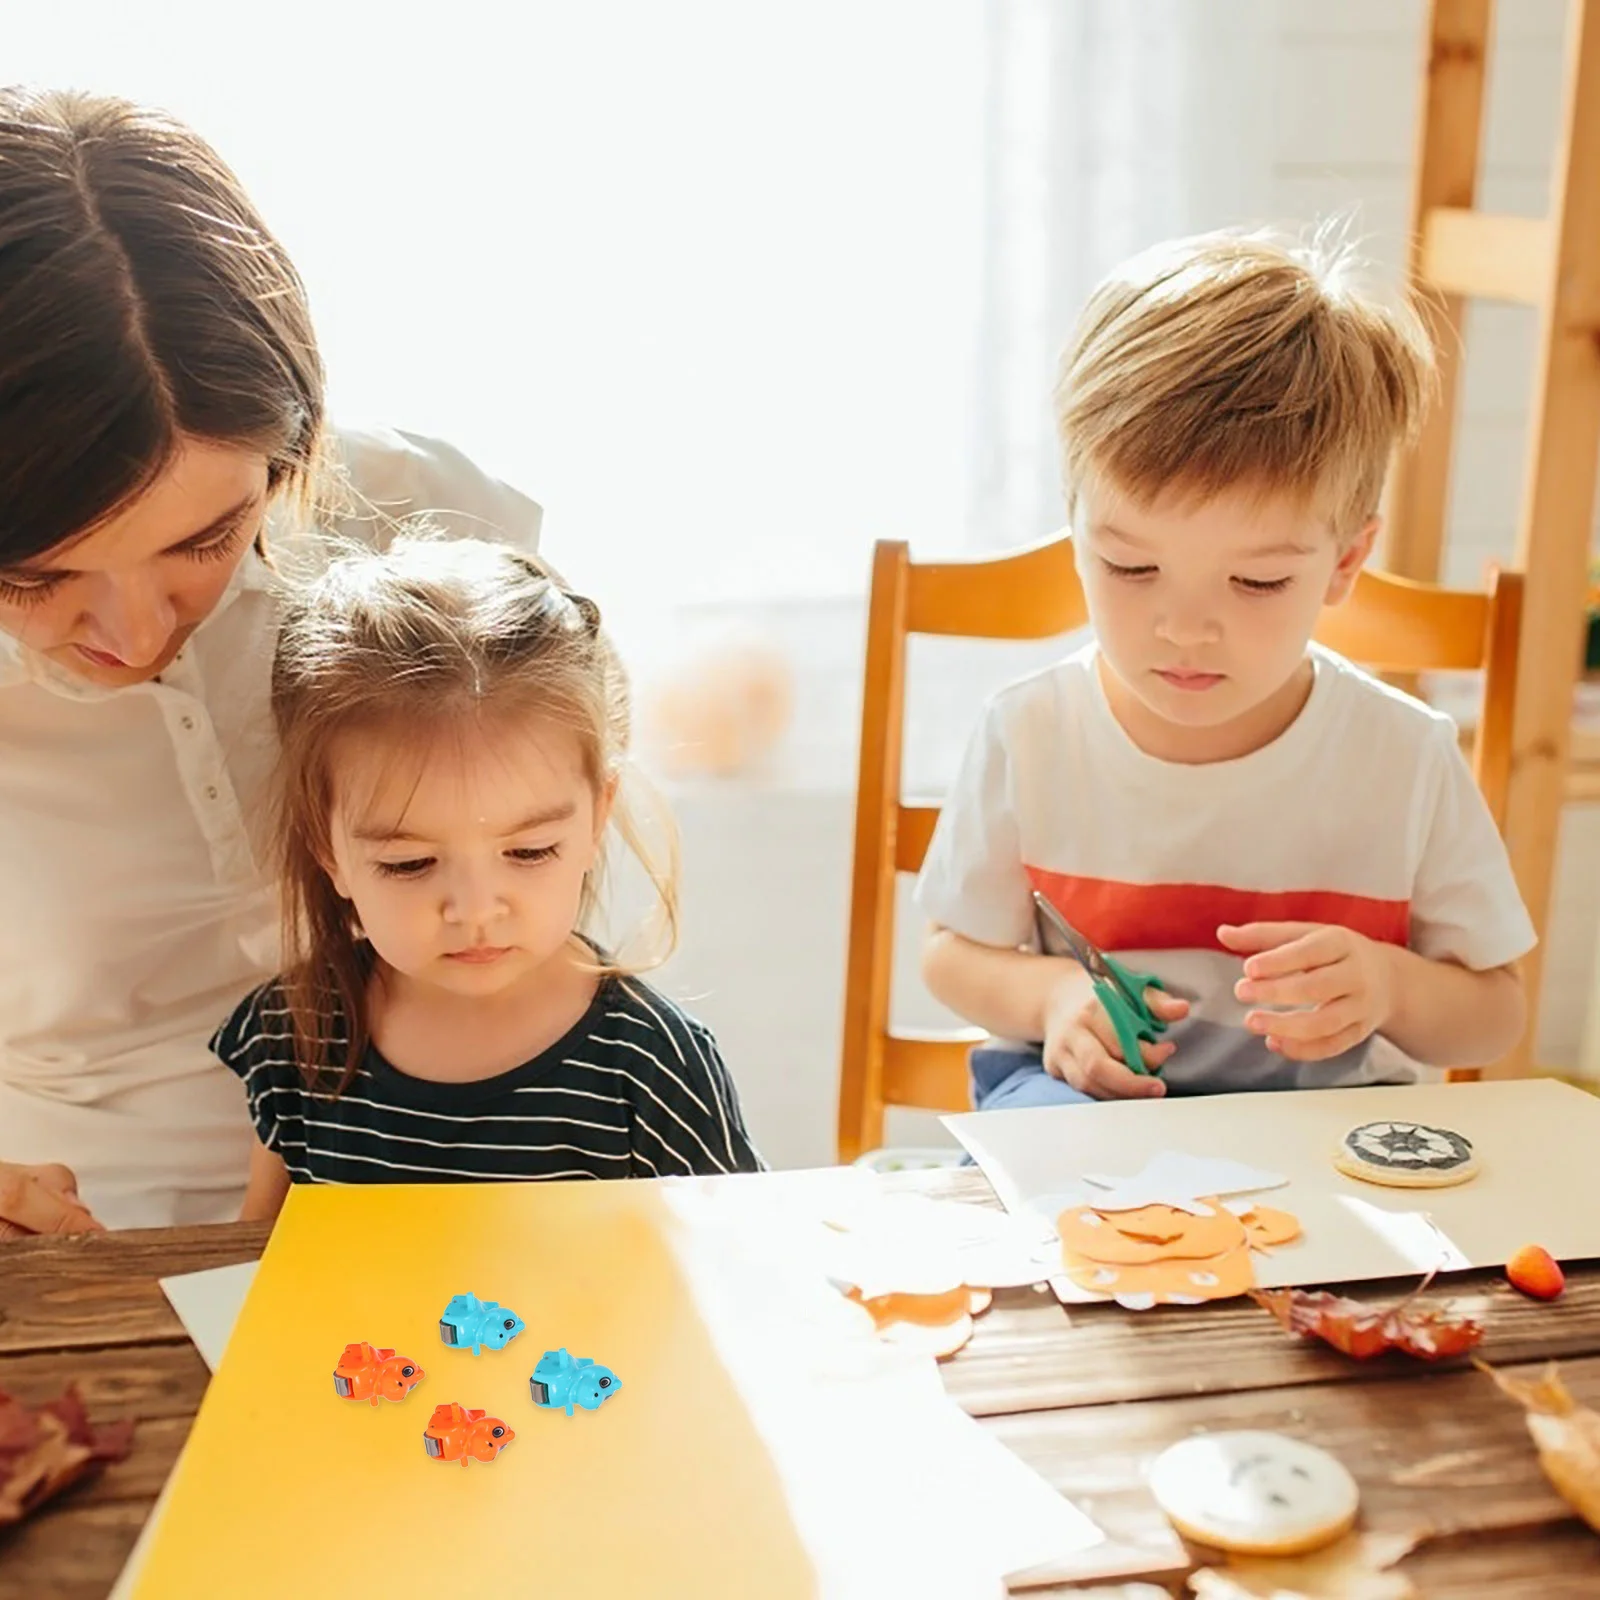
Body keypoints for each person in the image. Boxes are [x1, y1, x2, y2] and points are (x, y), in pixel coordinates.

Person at [0, 87, 543, 1235]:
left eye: (205, 539)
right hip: (81, 1237)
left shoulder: (425, 521)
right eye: (37, 578)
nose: (139, 634)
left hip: (443, 1192)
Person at [916, 227, 1534, 1112]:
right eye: (1131, 567)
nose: (1185, 630)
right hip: (1083, 1108)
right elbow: (949, 950)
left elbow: (1495, 1012)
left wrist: (1392, 988)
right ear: (1076, 527)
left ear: (1347, 561)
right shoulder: (1031, 732)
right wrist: (1051, 997)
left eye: (1257, 581)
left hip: (1327, 1122)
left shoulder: (1403, 758)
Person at [210, 535, 761, 1219]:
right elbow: (253, 1261)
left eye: (528, 852)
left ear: (597, 820)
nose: (475, 909)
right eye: (410, 863)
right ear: (326, 848)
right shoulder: (297, 1031)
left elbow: (736, 1274)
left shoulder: (649, 1067)